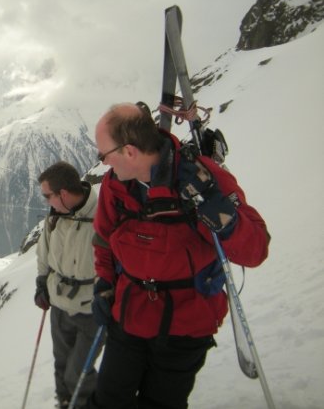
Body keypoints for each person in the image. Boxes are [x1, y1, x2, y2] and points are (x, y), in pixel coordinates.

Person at [85, 103, 270, 409]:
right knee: (107, 400)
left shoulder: (202, 180)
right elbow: (104, 241)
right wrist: (104, 285)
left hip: (185, 326)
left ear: (129, 151)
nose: (103, 162)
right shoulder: (114, 188)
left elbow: (256, 250)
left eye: (104, 155)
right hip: (129, 315)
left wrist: (225, 218)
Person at [35, 161, 102, 409]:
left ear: (63, 193)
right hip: (59, 304)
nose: (46, 202)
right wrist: (42, 284)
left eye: (47, 196)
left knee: (78, 374)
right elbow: (44, 252)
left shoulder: (102, 217)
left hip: (91, 309)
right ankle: (66, 404)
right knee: (62, 368)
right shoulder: (55, 218)